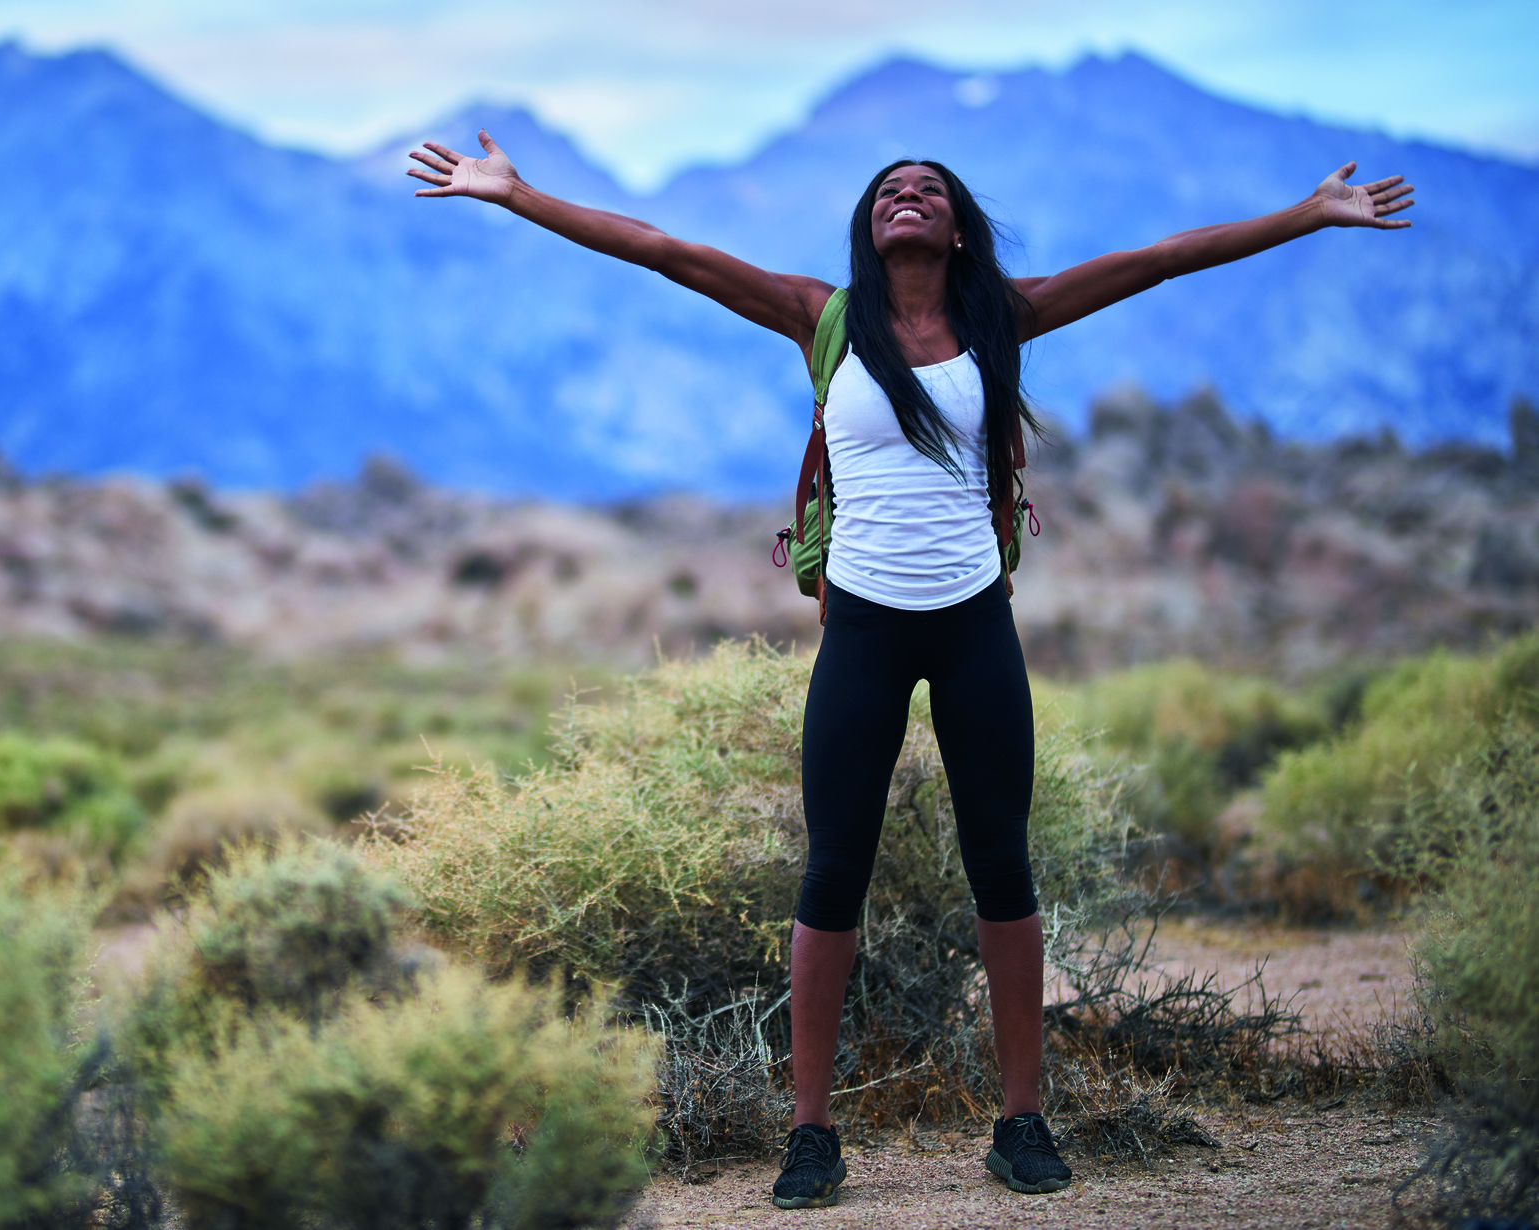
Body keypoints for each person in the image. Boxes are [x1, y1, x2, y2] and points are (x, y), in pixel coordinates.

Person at [407, 134, 1413, 1205]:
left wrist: (1302, 216)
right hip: (864, 632)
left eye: (927, 189)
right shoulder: (821, 317)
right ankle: (809, 1134)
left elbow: (1158, 258)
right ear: (869, 224)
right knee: (831, 870)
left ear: (956, 227)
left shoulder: (999, 319)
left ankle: (1020, 1119)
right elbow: (663, 250)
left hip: (973, 623)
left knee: (1001, 867)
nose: (906, 195)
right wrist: (517, 197)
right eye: (889, 189)